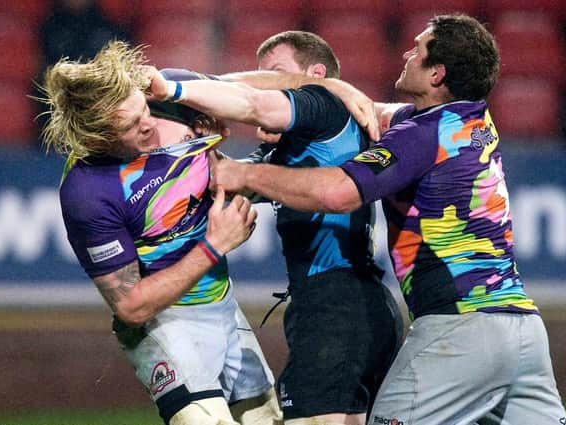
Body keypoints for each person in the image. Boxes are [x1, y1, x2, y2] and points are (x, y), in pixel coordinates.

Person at [208, 15, 566, 425]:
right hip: (524, 332)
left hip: (460, 328)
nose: (406, 54)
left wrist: (243, 174)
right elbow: (362, 111)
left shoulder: (421, 135)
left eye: (416, 50)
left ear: (436, 73)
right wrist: (330, 86)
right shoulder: (469, 121)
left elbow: (337, 193)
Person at [146, 31, 404, 425]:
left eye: (278, 73)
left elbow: (250, 102)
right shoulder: (292, 149)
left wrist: (174, 89)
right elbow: (229, 179)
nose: (268, 82)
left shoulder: (324, 106)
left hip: (336, 308)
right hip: (351, 305)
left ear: (313, 74)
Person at [38, 40, 281, 425]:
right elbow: (131, 306)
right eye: (131, 126)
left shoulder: (169, 94)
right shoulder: (88, 191)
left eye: (143, 110)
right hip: (164, 323)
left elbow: (254, 93)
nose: (148, 123)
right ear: (96, 139)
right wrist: (216, 244)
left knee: (267, 420)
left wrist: (339, 93)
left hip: (223, 306)